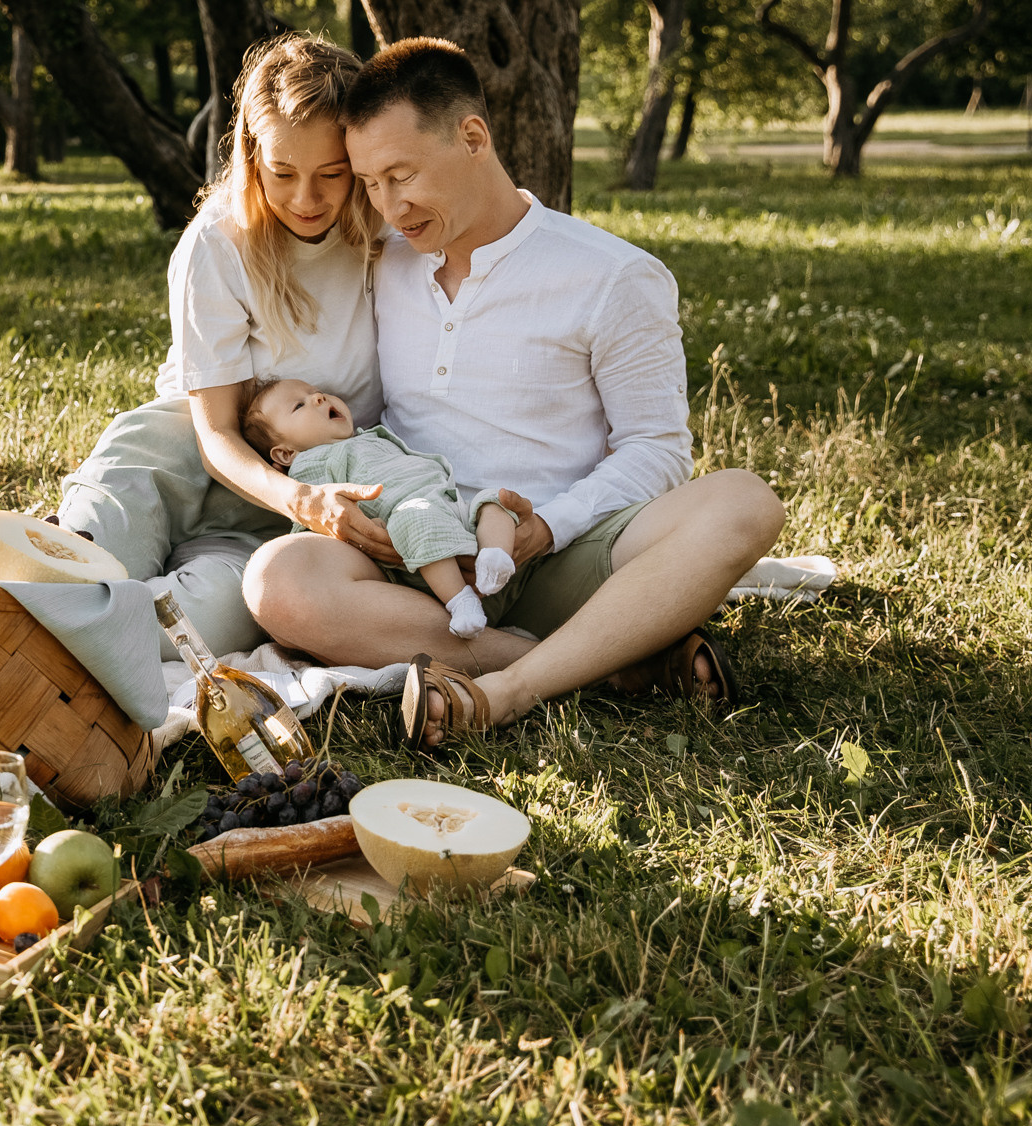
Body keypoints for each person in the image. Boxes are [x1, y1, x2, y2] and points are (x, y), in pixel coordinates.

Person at [240, 37, 787, 747]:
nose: (387, 205)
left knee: (745, 502)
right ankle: (603, 661)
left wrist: (551, 526)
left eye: (402, 174)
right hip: (417, 554)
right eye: (369, 182)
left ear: (473, 137)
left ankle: (509, 690)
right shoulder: (383, 260)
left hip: (563, 554)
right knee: (275, 580)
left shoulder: (614, 276)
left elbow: (657, 450)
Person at [53, 33, 394, 657]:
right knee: (70, 595)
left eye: (332, 174)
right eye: (283, 173)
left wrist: (304, 505)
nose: (305, 199)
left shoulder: (388, 239)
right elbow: (214, 439)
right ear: (251, 155)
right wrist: (303, 499)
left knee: (180, 635)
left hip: (270, 516)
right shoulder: (217, 242)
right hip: (172, 468)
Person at [238, 376, 517, 638]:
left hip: (451, 508)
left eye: (316, 392)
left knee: (494, 501)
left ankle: (494, 559)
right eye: (299, 405)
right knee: (416, 518)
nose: (319, 398)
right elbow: (316, 520)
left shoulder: (369, 436)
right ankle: (461, 602)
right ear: (286, 453)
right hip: (412, 528)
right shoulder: (312, 463)